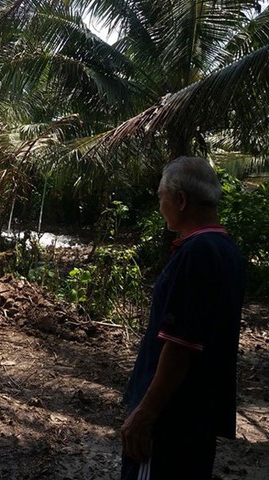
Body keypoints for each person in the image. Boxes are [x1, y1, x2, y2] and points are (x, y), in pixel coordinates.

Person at [121, 156, 245, 479]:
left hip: (170, 424)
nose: (159, 204)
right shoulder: (226, 250)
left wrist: (145, 414)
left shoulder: (198, 253)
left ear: (180, 200)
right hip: (196, 420)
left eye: (161, 196)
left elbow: (181, 346)